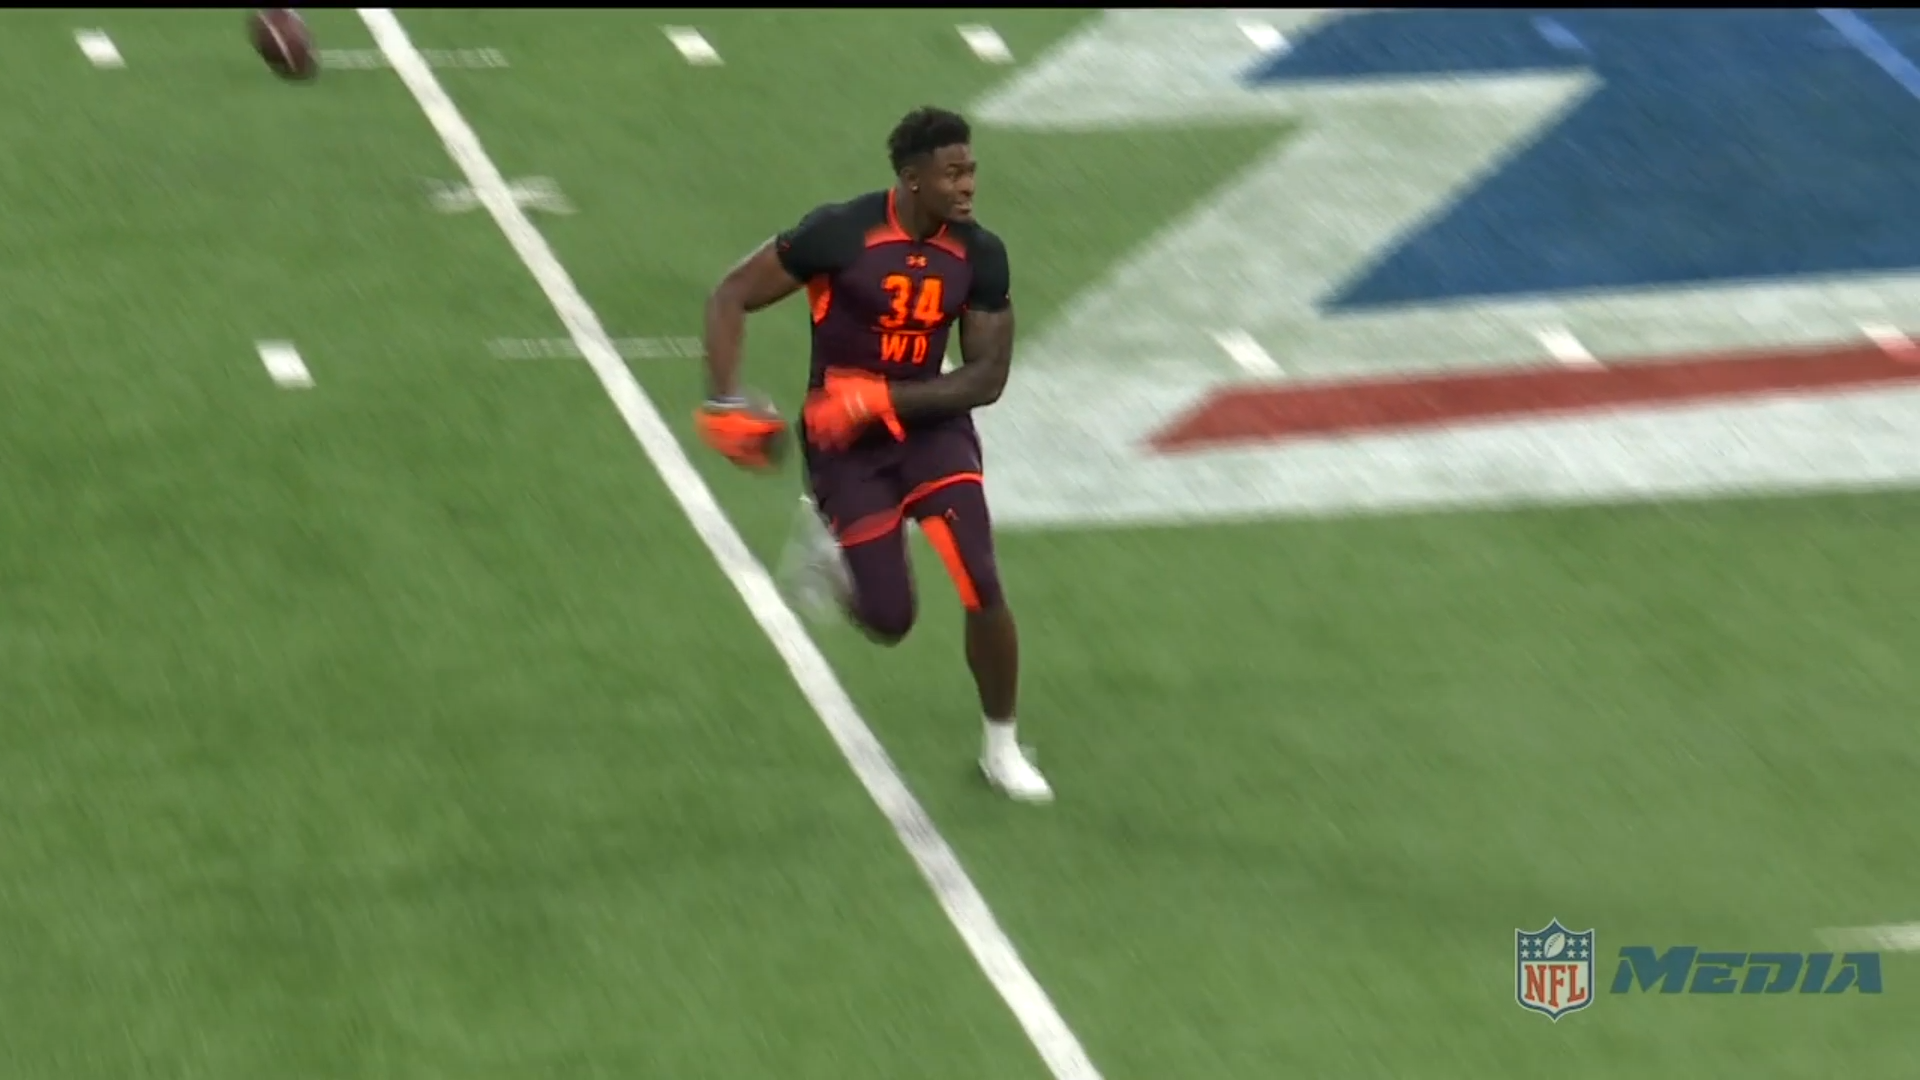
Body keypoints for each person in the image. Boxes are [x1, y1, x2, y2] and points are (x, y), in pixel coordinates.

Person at [693, 105, 1052, 803]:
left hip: (931, 434)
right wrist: (724, 398)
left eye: (971, 168)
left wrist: (880, 400)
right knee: (890, 619)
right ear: (913, 180)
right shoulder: (840, 232)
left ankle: (1002, 748)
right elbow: (732, 293)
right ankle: (832, 563)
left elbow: (987, 379)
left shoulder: (980, 254)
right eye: (953, 172)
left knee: (980, 579)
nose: (969, 184)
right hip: (845, 449)